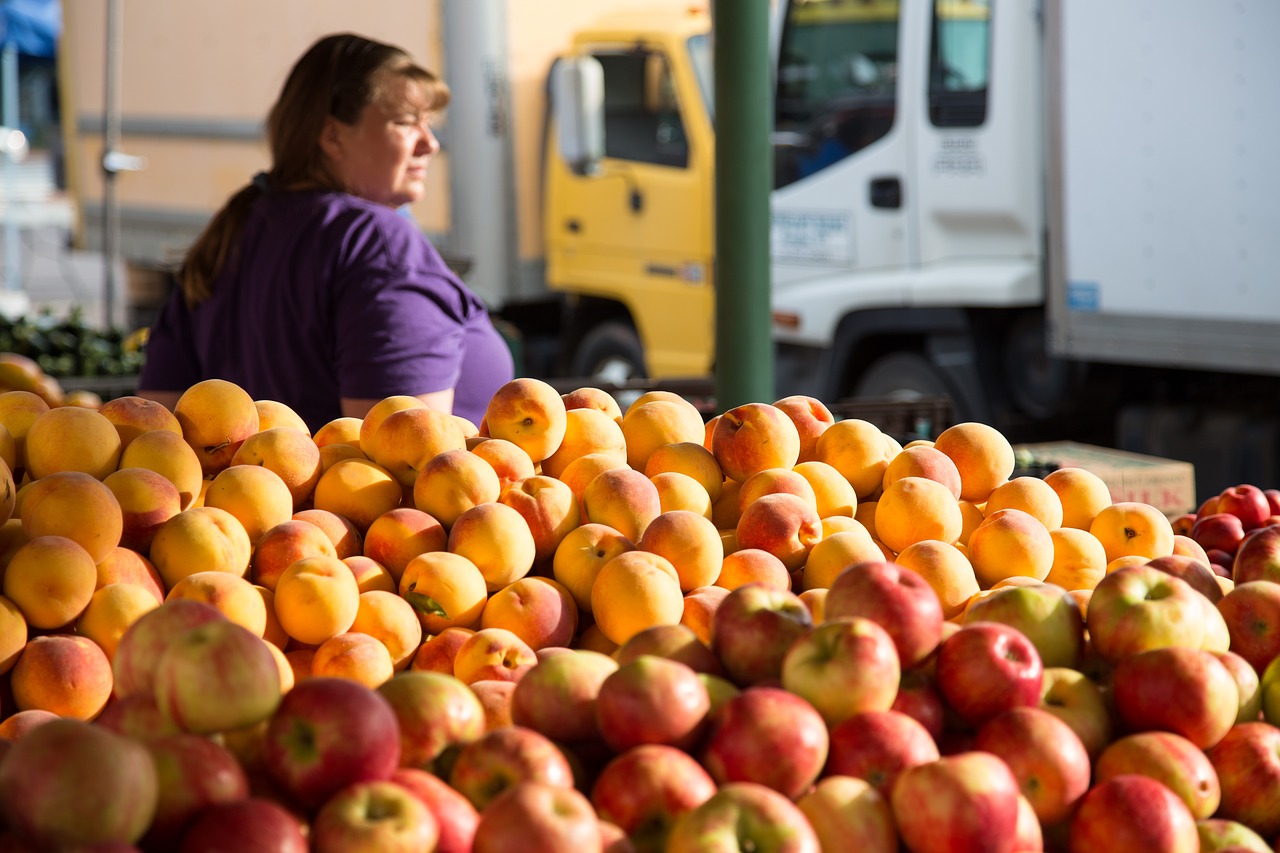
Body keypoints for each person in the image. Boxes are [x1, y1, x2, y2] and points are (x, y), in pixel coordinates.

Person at [137, 33, 514, 432]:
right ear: (332, 136)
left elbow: (157, 428)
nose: (430, 144)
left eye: (429, 124)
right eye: (405, 123)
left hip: (252, 493)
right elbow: (402, 456)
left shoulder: (233, 232)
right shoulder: (375, 242)